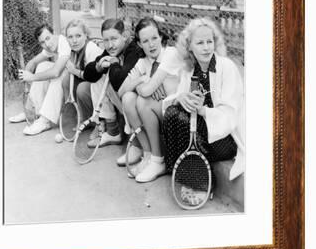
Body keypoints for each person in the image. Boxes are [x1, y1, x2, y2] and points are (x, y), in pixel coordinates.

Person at [161, 17, 244, 201]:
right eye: (200, 43)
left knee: (183, 120)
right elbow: (179, 100)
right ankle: (189, 176)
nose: (206, 47)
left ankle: (203, 184)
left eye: (209, 41)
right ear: (189, 46)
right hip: (199, 131)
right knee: (172, 113)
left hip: (225, 139)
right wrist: (181, 97)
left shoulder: (227, 67)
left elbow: (231, 115)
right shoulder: (190, 69)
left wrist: (203, 111)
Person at [118, 18, 183, 182]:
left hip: (176, 114)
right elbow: (121, 91)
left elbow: (146, 92)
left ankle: (158, 160)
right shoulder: (143, 62)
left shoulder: (171, 54)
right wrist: (141, 80)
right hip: (156, 112)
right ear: (139, 44)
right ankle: (147, 154)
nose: (151, 44)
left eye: (154, 38)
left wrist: (143, 85)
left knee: (142, 100)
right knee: (128, 98)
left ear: (161, 37)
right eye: (145, 41)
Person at [80, 18, 142, 147]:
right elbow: (88, 74)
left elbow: (120, 83)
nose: (109, 45)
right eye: (106, 40)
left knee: (111, 76)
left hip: (139, 98)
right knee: (97, 75)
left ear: (124, 36)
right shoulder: (112, 50)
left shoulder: (134, 50)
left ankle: (136, 143)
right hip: (124, 97)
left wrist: (113, 63)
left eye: (114, 39)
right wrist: (98, 66)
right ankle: (112, 131)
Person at [8, 23, 71, 136]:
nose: (47, 44)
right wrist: (26, 74)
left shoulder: (63, 43)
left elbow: (56, 72)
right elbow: (33, 62)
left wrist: (31, 77)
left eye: (48, 38)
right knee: (42, 66)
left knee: (58, 76)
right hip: (70, 76)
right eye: (42, 42)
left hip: (82, 78)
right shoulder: (50, 47)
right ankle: (33, 111)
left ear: (54, 34)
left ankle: (45, 121)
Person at [62, 20, 102, 120]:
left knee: (82, 88)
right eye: (70, 37)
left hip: (99, 85)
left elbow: (93, 77)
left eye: (78, 36)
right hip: (88, 81)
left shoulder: (91, 49)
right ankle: (74, 116)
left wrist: (74, 71)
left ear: (85, 35)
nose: (74, 41)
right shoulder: (73, 50)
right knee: (66, 81)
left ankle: (95, 120)